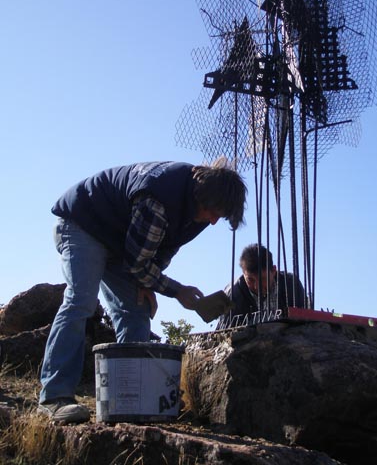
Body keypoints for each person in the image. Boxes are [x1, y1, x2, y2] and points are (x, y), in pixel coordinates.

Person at [38, 159, 246, 423]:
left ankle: (129, 400)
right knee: (81, 301)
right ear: (201, 196)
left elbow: (167, 246)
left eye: (221, 215)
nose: (214, 221)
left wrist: (147, 282)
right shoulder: (158, 198)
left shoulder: (201, 207)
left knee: (137, 311)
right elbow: (137, 262)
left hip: (121, 242)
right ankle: (54, 396)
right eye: (213, 212)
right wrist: (176, 290)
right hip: (83, 225)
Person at [217, 243, 304, 329]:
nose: (256, 286)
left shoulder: (290, 284)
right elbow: (224, 335)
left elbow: (308, 321)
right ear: (243, 274)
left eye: (263, 279)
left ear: (273, 271)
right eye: (250, 280)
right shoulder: (232, 295)